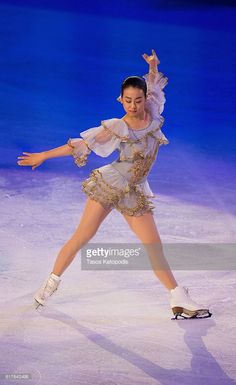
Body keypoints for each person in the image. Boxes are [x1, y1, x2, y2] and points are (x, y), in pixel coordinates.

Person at [17, 50, 211, 319]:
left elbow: (154, 83)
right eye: (128, 101)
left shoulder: (152, 111)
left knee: (153, 246)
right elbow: (80, 145)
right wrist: (44, 155)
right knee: (83, 236)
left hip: (134, 190)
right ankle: (50, 284)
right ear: (121, 99)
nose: (133, 106)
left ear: (145, 99)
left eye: (138, 100)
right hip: (111, 183)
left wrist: (154, 66)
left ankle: (177, 297)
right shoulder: (117, 127)